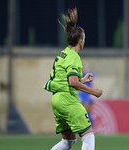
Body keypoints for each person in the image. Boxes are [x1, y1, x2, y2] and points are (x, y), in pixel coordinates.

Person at [43, 8, 103, 150]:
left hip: (57, 100)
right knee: (88, 137)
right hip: (68, 101)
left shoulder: (62, 54)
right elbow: (72, 82)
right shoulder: (75, 57)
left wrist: (82, 80)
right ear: (80, 41)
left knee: (68, 142)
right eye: (84, 39)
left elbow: (64, 81)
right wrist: (93, 92)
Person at [78, 62, 97, 127]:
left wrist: (93, 94)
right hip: (81, 95)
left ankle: (90, 126)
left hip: (87, 95)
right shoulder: (79, 75)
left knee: (87, 111)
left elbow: (93, 83)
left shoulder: (89, 74)